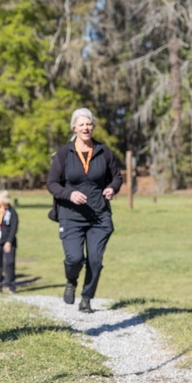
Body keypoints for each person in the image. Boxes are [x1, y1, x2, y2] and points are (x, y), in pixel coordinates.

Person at [47, 107, 122, 313]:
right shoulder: (64, 153)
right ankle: (71, 281)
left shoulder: (103, 151)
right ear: (74, 127)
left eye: (89, 124)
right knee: (74, 258)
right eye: (81, 124)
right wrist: (69, 194)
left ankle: (86, 298)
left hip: (99, 216)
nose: (86, 128)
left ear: (93, 126)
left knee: (95, 260)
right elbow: (52, 183)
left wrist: (112, 188)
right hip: (71, 216)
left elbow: (117, 176)